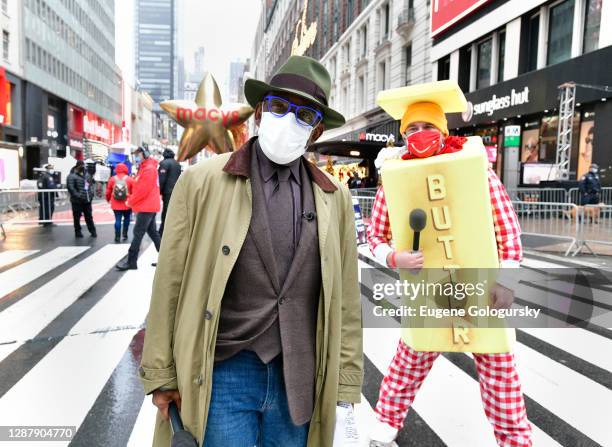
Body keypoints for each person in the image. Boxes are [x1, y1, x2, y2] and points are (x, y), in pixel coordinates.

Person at [138, 55, 363, 447]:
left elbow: (345, 300)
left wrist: (344, 387)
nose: (288, 120)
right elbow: (169, 281)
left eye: (304, 116)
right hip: (223, 368)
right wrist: (161, 373)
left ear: (316, 131)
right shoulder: (201, 182)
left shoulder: (334, 196)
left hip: (300, 374)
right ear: (260, 111)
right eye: (279, 107)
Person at [367, 86, 532, 447]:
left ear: (443, 131)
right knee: (410, 357)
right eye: (411, 129)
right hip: (428, 289)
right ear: (402, 135)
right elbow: (374, 236)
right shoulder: (391, 180)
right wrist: (393, 257)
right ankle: (386, 420)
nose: (419, 134)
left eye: (427, 126)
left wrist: (506, 280)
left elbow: (508, 231)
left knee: (499, 367)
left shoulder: (478, 172)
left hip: (480, 287)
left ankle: (515, 438)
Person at [116, 146, 161, 270]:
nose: (136, 157)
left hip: (146, 206)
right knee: (153, 233)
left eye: (137, 154)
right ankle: (167, 261)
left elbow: (142, 190)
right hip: (148, 205)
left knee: (138, 234)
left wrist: (130, 201)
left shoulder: (149, 169)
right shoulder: (146, 168)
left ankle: (131, 262)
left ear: (144, 154)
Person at [66, 160, 97, 238]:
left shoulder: (87, 175)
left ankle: (92, 231)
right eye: (81, 166)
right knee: (77, 217)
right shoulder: (71, 176)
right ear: (77, 166)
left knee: (89, 216)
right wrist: (78, 195)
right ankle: (78, 232)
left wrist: (91, 194)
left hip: (87, 200)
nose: (83, 168)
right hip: (77, 201)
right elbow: (71, 187)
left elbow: (91, 185)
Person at [105, 163, 134, 243]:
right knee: (127, 219)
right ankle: (125, 235)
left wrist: (108, 199)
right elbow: (134, 192)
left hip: (115, 203)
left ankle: (117, 237)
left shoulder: (112, 179)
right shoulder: (130, 179)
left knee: (117, 220)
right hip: (127, 204)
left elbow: (108, 192)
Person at [157, 148, 181, 237]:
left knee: (166, 211)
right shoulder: (177, 164)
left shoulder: (164, 163)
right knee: (174, 211)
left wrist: (159, 191)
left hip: (167, 191)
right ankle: (172, 230)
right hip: (176, 190)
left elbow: (161, 180)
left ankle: (162, 230)